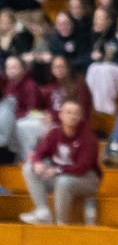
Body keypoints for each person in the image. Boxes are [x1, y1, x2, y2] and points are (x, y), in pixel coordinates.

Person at [20, 97, 100, 226]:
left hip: (87, 179)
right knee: (29, 168)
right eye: (68, 112)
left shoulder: (88, 137)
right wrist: (37, 162)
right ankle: (42, 212)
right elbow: (39, 152)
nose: (72, 116)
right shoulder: (54, 133)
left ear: (81, 116)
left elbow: (82, 167)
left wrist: (57, 170)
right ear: (61, 115)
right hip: (60, 175)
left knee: (63, 181)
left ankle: (61, 223)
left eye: (76, 113)